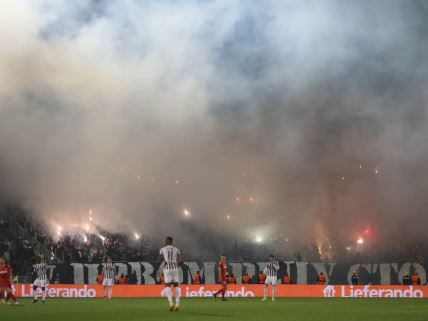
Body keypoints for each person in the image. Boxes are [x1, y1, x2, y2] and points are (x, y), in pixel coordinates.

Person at [158, 236, 183, 311]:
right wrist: (177, 265)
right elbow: (182, 259)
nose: (165, 242)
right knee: (176, 286)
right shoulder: (176, 249)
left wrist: (157, 269)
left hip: (167, 269)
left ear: (167, 242)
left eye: (165, 241)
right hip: (174, 268)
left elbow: (159, 260)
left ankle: (171, 303)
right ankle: (177, 304)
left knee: (167, 286)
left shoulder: (162, 249)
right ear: (172, 242)